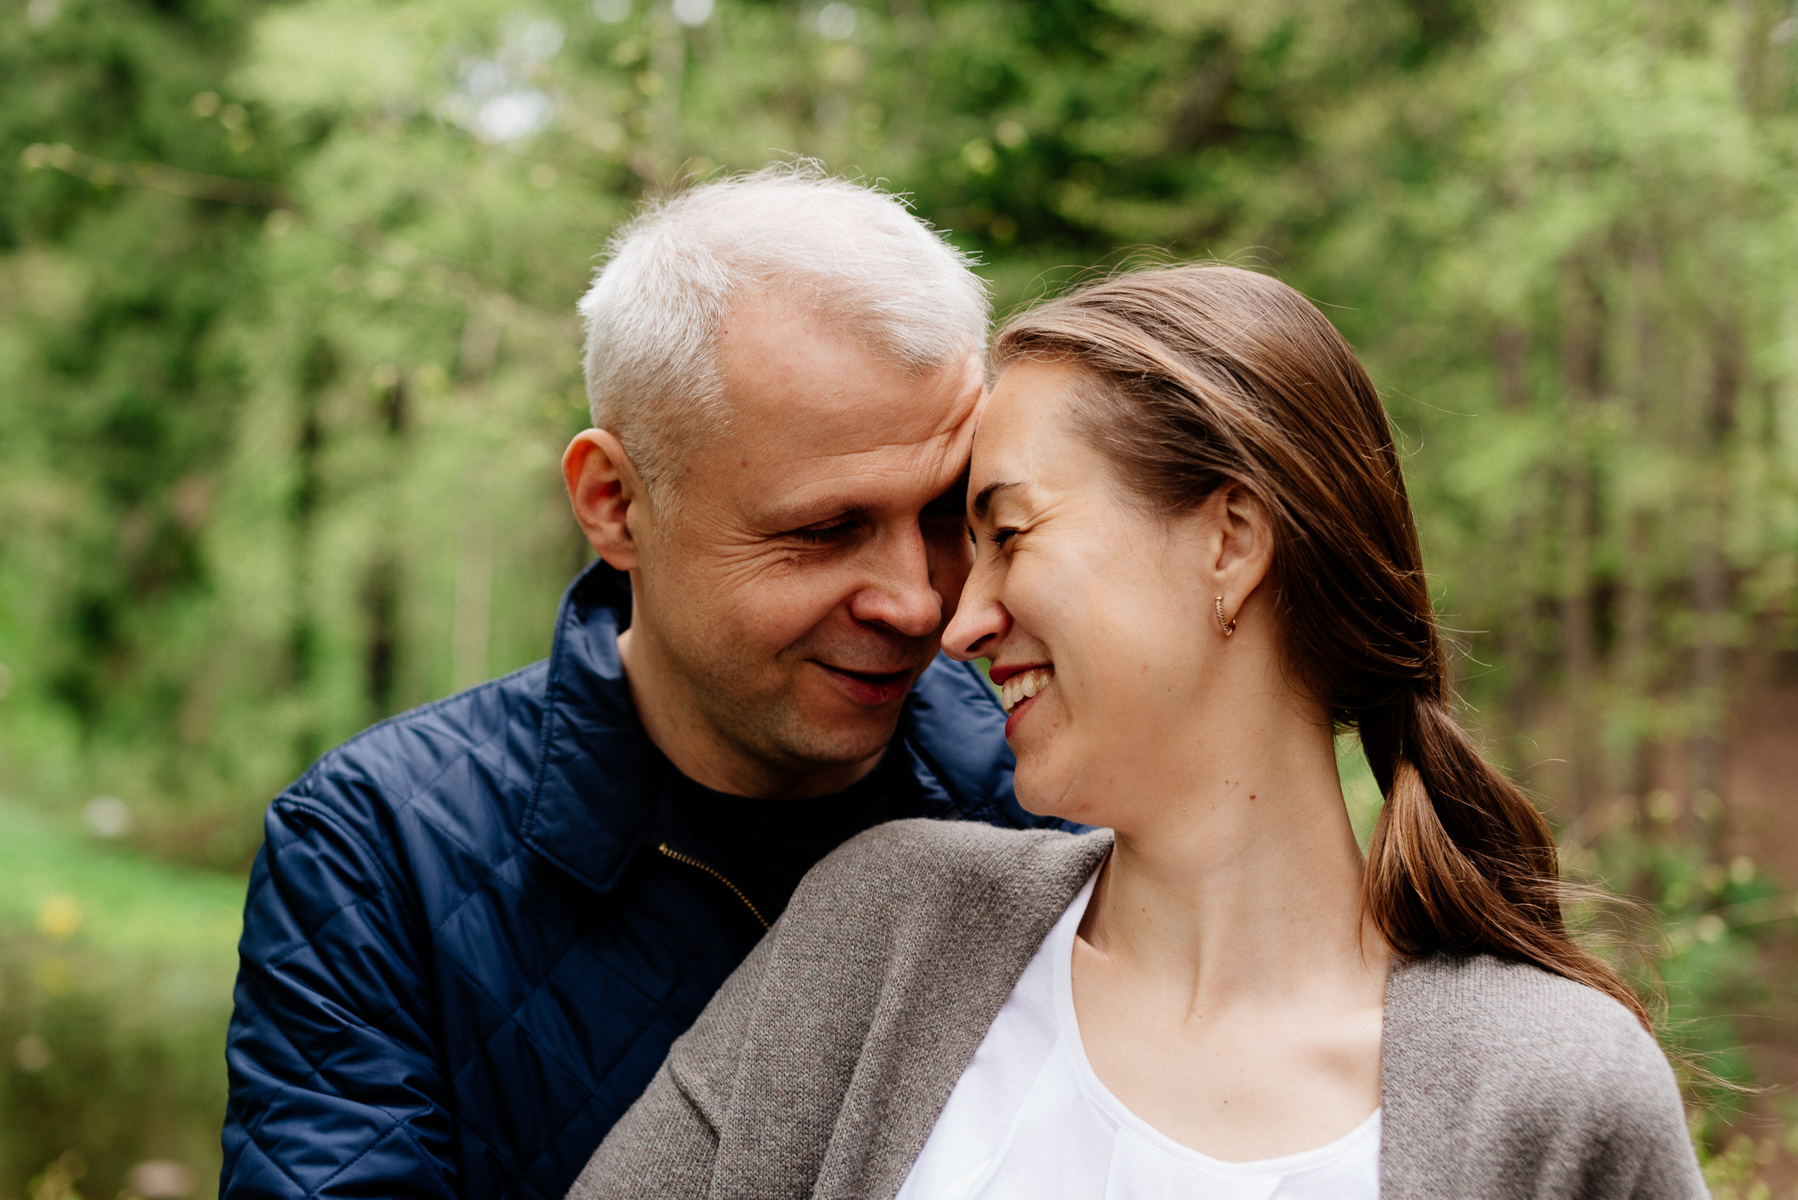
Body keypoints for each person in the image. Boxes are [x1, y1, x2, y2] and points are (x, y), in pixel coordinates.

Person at [572, 265, 1707, 1200]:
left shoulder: (1552, 1094)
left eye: (1007, 532)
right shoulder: (885, 935)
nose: (955, 620)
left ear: (1231, 541)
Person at [217, 166, 1067, 1200]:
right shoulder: (378, 854)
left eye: (945, 514)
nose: (917, 604)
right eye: (824, 530)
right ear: (615, 503)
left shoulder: (1050, 814)